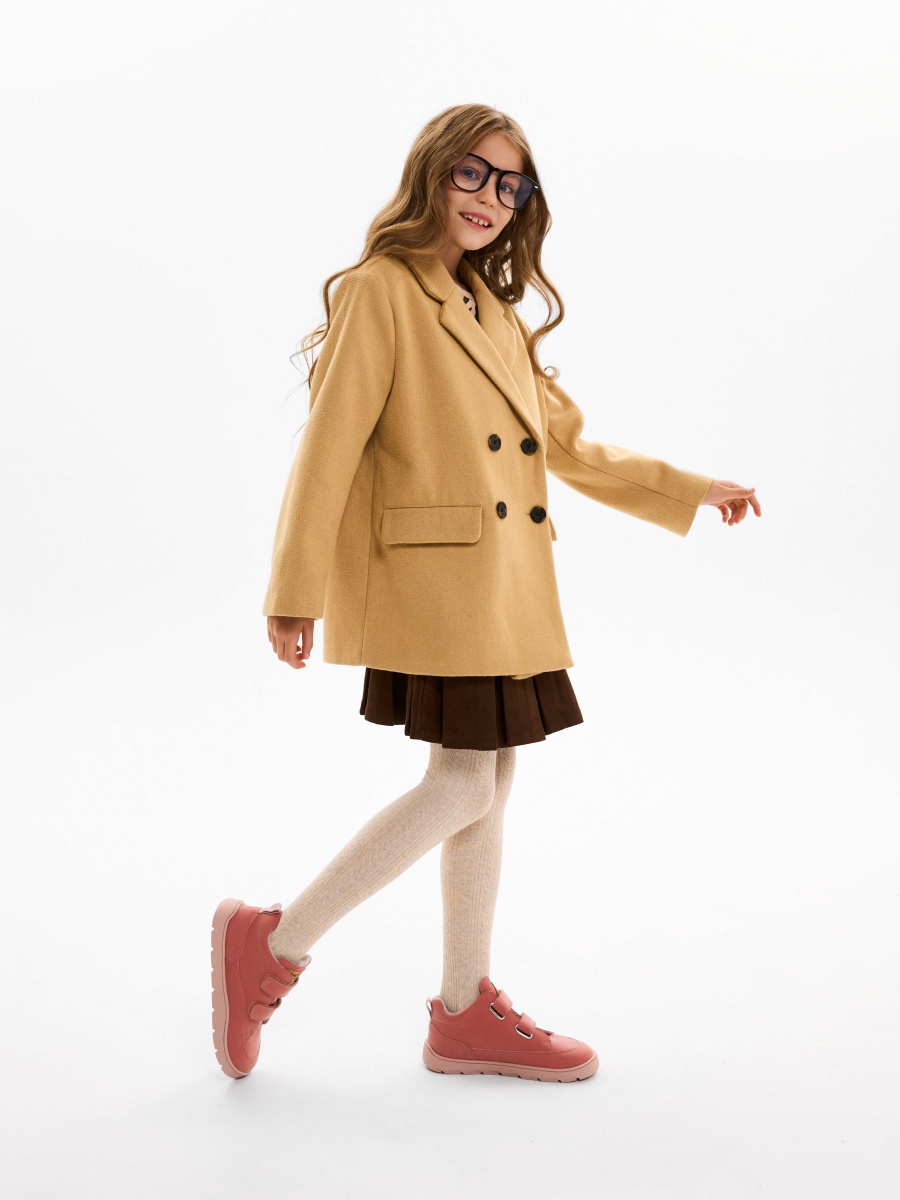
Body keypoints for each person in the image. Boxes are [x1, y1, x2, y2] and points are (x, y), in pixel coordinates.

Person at [210, 103, 761, 1084]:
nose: (491, 199)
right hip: (437, 581)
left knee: (490, 783)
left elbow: (568, 447)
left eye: (511, 185)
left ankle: (463, 1011)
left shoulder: (495, 313)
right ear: (432, 172)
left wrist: (687, 488)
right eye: (473, 173)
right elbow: (327, 449)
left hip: (502, 587)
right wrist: (294, 590)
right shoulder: (382, 291)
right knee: (464, 782)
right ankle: (273, 944)